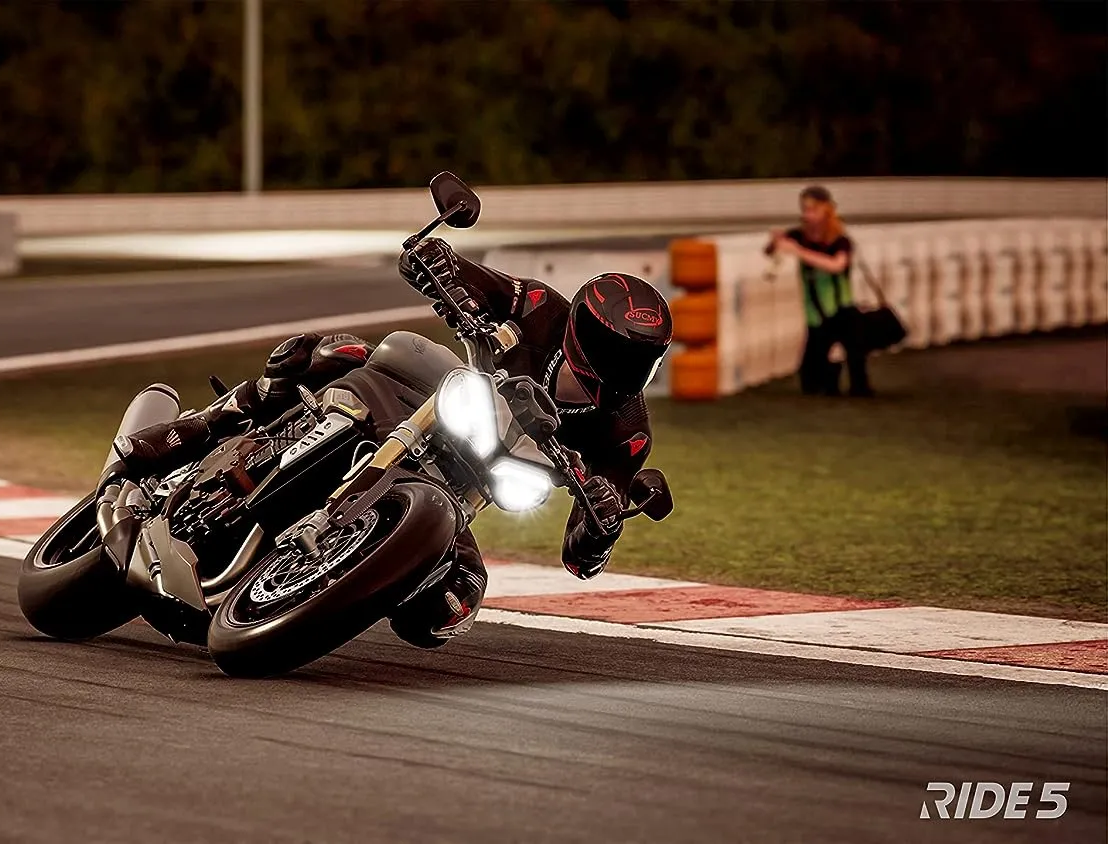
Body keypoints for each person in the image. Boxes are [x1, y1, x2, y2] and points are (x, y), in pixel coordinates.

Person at [107, 241, 673, 648]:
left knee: (448, 606)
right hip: (433, 405)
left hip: (471, 482)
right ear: (580, 333)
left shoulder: (628, 433)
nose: (625, 371)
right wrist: (435, 262)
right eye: (616, 354)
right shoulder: (541, 309)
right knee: (335, 355)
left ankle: (323, 585)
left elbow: (579, 557)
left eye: (641, 361)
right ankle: (204, 425)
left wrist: (603, 524)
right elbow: (465, 274)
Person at [765, 185, 873, 397]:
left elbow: (837, 265)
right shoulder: (799, 235)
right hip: (815, 313)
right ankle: (831, 377)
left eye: (813, 209)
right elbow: (770, 251)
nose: (808, 215)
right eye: (805, 209)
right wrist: (775, 242)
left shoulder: (840, 240)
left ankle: (851, 382)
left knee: (856, 363)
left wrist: (799, 252)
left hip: (841, 310)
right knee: (810, 381)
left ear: (826, 210)